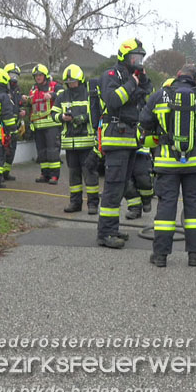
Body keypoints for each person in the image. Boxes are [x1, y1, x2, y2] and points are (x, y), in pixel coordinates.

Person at [139, 63, 196, 267]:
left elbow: (145, 120)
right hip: (195, 164)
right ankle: (194, 255)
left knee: (166, 206)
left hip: (167, 162)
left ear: (177, 76)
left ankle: (160, 256)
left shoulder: (160, 96)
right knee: (193, 206)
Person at [96, 38, 154, 248]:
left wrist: (143, 80)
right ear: (124, 57)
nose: (137, 61)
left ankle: (112, 228)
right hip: (116, 137)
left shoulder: (132, 77)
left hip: (130, 139)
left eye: (140, 57)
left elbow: (147, 94)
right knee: (112, 188)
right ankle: (105, 234)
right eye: (134, 57)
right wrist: (132, 84)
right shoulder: (112, 75)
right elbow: (112, 100)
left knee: (121, 187)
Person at [51, 64, 100, 214]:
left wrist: (82, 118)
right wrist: (62, 117)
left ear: (80, 80)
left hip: (86, 143)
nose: (71, 84)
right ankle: (75, 203)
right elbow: (53, 114)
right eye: (69, 82)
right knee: (74, 177)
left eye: (73, 82)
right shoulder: (62, 96)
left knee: (90, 175)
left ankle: (92, 205)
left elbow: (95, 115)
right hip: (70, 145)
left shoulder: (88, 94)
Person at [28, 64, 63, 184]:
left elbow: (64, 95)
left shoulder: (54, 86)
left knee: (52, 151)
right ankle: (44, 173)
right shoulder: (33, 89)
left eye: (40, 75)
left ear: (45, 76)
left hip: (52, 125)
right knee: (41, 152)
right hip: (38, 126)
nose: (38, 77)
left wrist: (53, 95)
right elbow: (31, 105)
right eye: (36, 75)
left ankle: (54, 176)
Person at [2, 62, 26, 181]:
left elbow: (18, 104)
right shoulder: (3, 88)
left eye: (16, 75)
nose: (14, 77)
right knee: (3, 149)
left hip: (14, 124)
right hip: (4, 125)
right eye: (12, 74)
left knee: (12, 149)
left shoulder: (17, 89)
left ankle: (6, 172)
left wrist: (22, 111)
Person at [123, 147, 155, 219]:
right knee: (127, 184)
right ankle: (134, 208)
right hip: (123, 152)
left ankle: (146, 199)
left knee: (144, 180)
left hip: (141, 154)